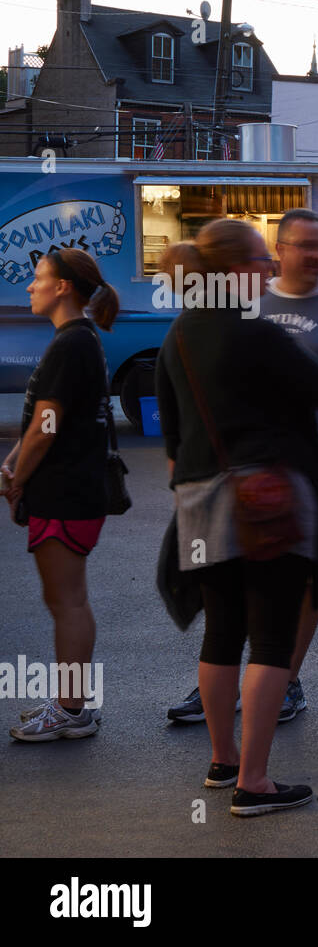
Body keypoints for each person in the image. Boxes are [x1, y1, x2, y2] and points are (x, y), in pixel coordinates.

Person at [154, 218, 318, 816]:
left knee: (222, 632)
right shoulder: (254, 330)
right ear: (235, 271)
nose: (267, 268)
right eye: (260, 259)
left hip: (199, 503)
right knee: (273, 641)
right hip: (267, 503)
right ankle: (253, 783)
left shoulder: (180, 332)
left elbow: (173, 442)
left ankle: (222, 761)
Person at [4, 249, 120, 741]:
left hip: (67, 492)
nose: (29, 287)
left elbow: (45, 429)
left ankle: (72, 710)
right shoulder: (74, 340)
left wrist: (15, 478)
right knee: (64, 600)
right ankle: (71, 703)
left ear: (64, 287)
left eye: (38, 279)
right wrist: (12, 463)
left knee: (68, 602)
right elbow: (39, 419)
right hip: (71, 489)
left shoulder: (72, 343)